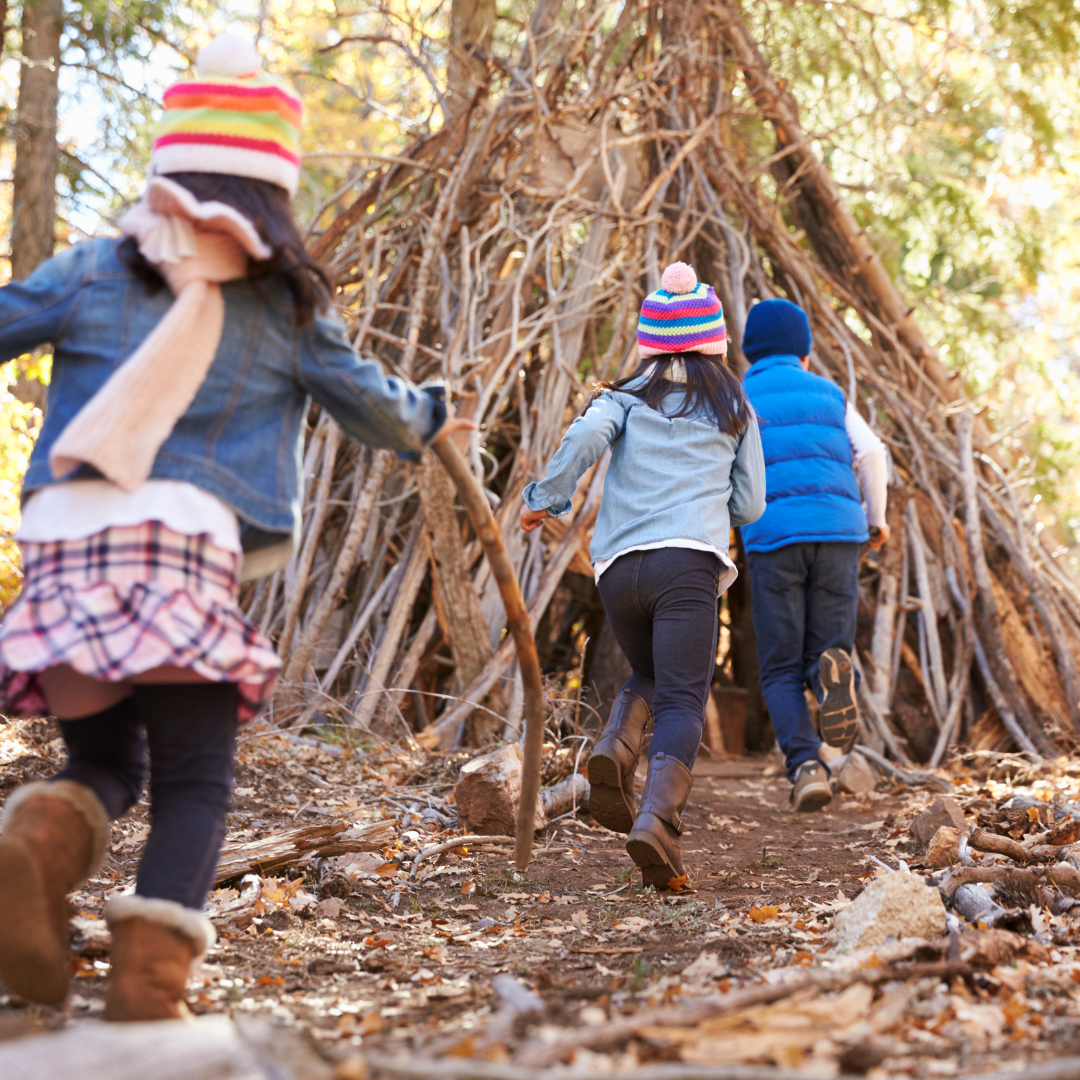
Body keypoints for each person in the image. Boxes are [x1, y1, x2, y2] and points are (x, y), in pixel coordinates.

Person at [0, 36, 469, 1020]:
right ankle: (147, 983)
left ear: (168, 170)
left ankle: (33, 849)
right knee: (195, 777)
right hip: (178, 550)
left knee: (98, 764)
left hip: (66, 548)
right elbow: (374, 411)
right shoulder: (284, 307)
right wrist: (432, 416)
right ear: (273, 194)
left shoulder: (94, 269)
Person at [521, 262, 765, 887]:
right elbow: (751, 505)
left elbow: (582, 439)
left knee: (651, 674)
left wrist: (544, 499)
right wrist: (716, 506)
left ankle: (615, 748)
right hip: (686, 565)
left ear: (650, 343)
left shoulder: (623, 398)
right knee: (684, 694)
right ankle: (657, 821)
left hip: (617, 570)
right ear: (713, 341)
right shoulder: (734, 404)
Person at [739, 298, 889, 812]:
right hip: (840, 533)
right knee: (826, 651)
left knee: (779, 667)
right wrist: (876, 519)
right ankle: (830, 684)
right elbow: (870, 452)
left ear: (749, 350)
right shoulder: (830, 393)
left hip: (774, 536)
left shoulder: (741, 396)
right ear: (804, 350)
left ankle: (805, 767)